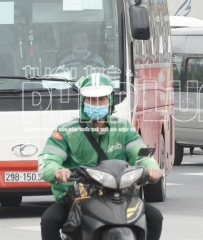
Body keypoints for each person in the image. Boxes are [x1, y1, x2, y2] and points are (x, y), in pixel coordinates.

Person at [37, 73, 163, 240]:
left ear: (110, 101)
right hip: (79, 197)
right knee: (49, 220)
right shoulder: (66, 131)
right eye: (91, 100)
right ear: (83, 102)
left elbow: (140, 153)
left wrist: (151, 168)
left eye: (101, 100)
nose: (96, 104)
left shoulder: (124, 128)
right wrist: (58, 171)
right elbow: (48, 159)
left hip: (119, 196)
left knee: (155, 217)